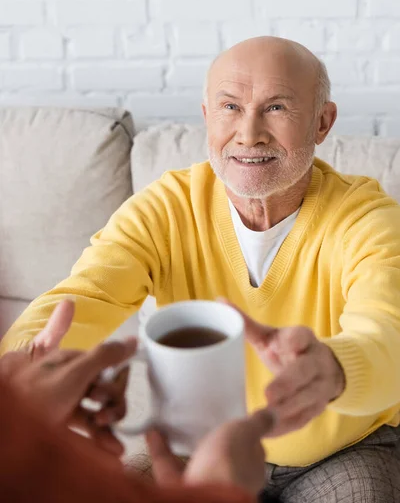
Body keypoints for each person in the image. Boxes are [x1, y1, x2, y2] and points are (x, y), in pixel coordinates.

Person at [2, 35, 400, 501]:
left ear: (322, 122)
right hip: (199, 444)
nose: (249, 133)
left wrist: (334, 370)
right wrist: (21, 366)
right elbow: (87, 294)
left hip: (342, 449)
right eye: (230, 107)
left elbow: (387, 331)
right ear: (208, 116)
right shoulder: (165, 208)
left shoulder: (368, 218)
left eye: (276, 108)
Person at [0, 299, 274, 503]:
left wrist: (21, 406)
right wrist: (219, 492)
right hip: (183, 450)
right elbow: (91, 287)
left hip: (307, 465)